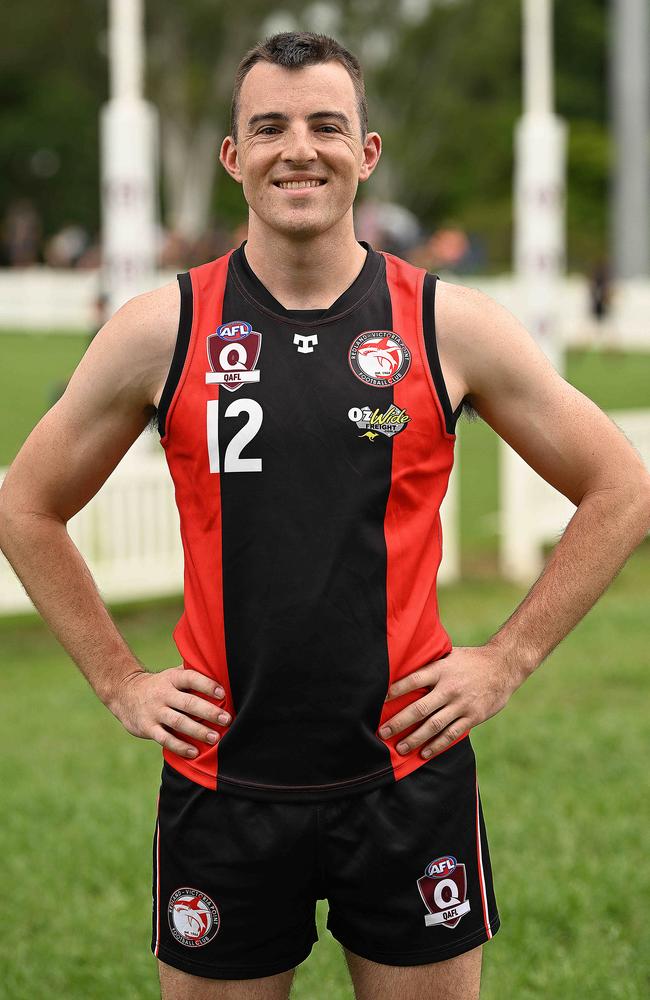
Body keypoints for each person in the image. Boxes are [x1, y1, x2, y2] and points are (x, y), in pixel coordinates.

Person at [1, 31, 649, 1000]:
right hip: (224, 782)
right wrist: (119, 680)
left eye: (323, 125)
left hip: (405, 776)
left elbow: (621, 487)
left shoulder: (447, 324)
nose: (295, 147)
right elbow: (25, 504)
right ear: (233, 155)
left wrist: (505, 658)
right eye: (267, 126)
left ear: (366, 151)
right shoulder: (161, 329)